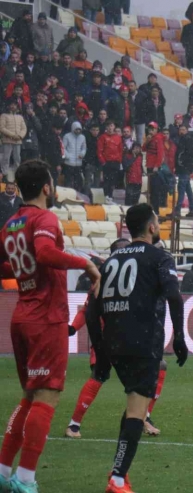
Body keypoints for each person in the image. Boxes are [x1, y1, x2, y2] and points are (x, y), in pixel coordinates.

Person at [0, 160, 100, 493]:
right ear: (46, 188)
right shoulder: (44, 218)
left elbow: (9, 264)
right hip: (46, 317)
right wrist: (85, 263)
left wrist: (20, 270)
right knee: (47, 395)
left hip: (22, 316)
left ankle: (2, 471)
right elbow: (44, 253)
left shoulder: (11, 223)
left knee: (30, 395)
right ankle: (25, 479)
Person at [84, 204, 188, 493]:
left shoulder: (111, 260)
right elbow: (174, 298)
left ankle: (120, 473)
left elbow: (92, 311)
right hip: (144, 341)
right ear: (152, 227)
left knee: (133, 404)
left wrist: (101, 349)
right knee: (138, 411)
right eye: (157, 221)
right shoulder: (160, 257)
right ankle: (117, 479)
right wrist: (179, 337)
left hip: (114, 342)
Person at [66, 240, 166, 439]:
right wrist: (73, 328)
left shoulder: (125, 275)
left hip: (124, 335)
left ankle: (143, 416)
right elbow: (88, 308)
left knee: (156, 368)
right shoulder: (106, 276)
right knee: (102, 375)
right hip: (111, 336)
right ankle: (74, 424)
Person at [174, 126, 193, 217]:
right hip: (186, 168)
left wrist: (182, 164)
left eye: (183, 130)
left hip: (184, 168)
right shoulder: (186, 139)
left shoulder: (186, 139)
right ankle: (192, 210)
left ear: (187, 130)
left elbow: (186, 154)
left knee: (181, 188)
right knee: (188, 189)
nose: (181, 131)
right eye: (180, 129)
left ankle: (178, 210)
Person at [0, 102, 27, 183]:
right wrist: (12, 135)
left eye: (14, 104)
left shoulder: (20, 117)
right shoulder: (4, 115)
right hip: (7, 140)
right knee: (6, 158)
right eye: (11, 104)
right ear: (8, 106)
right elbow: (2, 128)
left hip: (17, 141)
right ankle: (4, 175)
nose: (13, 106)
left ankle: (17, 175)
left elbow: (24, 128)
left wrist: (20, 136)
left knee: (17, 158)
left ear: (17, 106)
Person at [97, 120, 124, 200]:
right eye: (108, 126)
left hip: (115, 162)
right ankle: (105, 196)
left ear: (114, 127)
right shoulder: (103, 137)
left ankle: (111, 196)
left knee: (113, 181)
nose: (110, 128)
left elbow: (120, 150)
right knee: (106, 180)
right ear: (106, 127)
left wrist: (119, 160)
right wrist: (103, 162)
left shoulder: (118, 137)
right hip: (107, 162)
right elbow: (99, 151)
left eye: (111, 126)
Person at [62, 121, 87, 192]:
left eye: (79, 129)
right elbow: (63, 148)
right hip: (69, 163)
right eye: (76, 129)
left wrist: (82, 154)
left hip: (78, 163)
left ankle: (77, 193)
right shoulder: (67, 136)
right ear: (73, 128)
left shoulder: (82, 137)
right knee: (68, 180)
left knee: (78, 181)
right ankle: (67, 193)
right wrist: (67, 156)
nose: (78, 131)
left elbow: (84, 148)